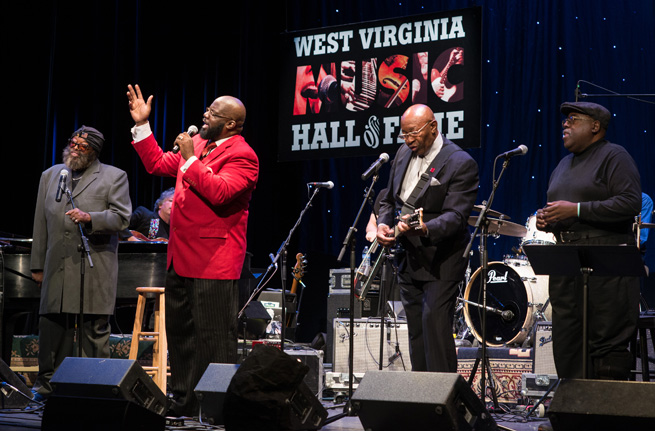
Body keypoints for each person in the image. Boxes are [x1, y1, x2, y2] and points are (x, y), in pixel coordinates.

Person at [126, 84, 259, 416]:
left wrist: (189, 159)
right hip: (179, 258)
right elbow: (156, 163)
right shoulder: (200, 143)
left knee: (214, 341)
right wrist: (143, 125)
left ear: (231, 124)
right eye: (207, 109)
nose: (205, 114)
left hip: (214, 262)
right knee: (182, 336)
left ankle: (215, 408)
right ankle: (183, 402)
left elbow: (220, 192)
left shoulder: (243, 155)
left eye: (213, 113)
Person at [536, 101, 641, 380]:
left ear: (595, 126)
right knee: (567, 340)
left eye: (573, 119)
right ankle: (571, 416)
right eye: (564, 120)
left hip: (605, 260)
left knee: (605, 342)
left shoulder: (614, 156)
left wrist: (576, 209)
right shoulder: (562, 165)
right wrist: (548, 220)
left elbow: (630, 203)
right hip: (566, 261)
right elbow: (563, 210)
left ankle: (604, 416)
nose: (565, 124)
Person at [30, 126, 132, 401]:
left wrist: (91, 218)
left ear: (93, 153)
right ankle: (48, 388)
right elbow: (40, 224)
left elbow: (122, 219)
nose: (74, 148)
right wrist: (37, 266)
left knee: (93, 329)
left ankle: (94, 388)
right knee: (53, 327)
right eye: (72, 143)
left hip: (93, 266)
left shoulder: (114, 176)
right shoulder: (51, 176)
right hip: (57, 266)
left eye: (82, 146)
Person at [376, 104, 479, 372]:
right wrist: (384, 225)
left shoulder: (460, 162)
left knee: (434, 326)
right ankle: (420, 398)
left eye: (414, 133)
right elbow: (387, 199)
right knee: (416, 333)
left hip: (441, 261)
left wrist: (425, 229)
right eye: (404, 134)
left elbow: (457, 216)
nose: (408, 140)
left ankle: (444, 400)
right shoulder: (402, 153)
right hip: (408, 259)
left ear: (433, 127)